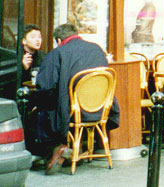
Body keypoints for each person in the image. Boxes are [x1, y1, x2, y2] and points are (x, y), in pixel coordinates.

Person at [30, 23, 120, 175]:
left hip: (72, 113)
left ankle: (56, 148)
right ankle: (80, 148)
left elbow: (45, 87)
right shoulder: (97, 49)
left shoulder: (57, 53)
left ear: (59, 40)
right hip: (101, 110)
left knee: (40, 109)